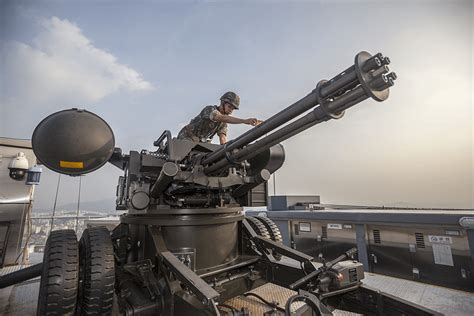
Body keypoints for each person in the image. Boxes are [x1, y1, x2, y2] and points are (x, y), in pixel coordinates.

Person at [177, 91, 261, 144]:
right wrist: (244, 121)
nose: (231, 110)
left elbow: (222, 139)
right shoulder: (210, 110)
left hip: (200, 143)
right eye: (229, 107)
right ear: (222, 103)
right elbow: (220, 117)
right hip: (186, 137)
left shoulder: (223, 123)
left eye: (233, 109)